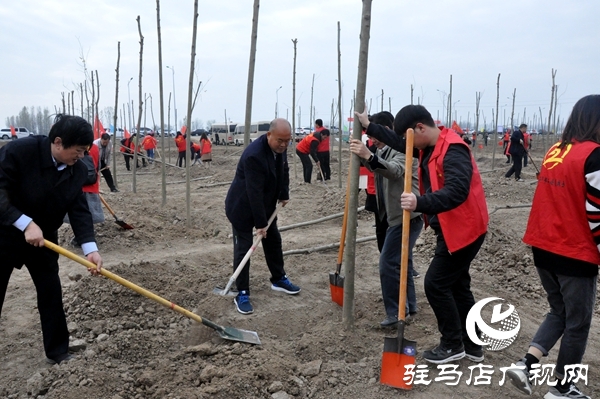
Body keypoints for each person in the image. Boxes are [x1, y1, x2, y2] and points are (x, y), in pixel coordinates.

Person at [360, 104, 488, 364]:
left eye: (409, 138)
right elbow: (399, 140)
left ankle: (453, 344)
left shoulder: (453, 150)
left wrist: (419, 202)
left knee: (435, 283)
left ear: (420, 128)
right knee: (458, 285)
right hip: (452, 226)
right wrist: (368, 126)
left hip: (464, 229)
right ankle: (473, 346)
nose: (405, 145)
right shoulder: (427, 143)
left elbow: (457, 191)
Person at [505, 95, 600, 399]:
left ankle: (525, 364)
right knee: (578, 322)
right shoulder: (594, 156)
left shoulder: (556, 150)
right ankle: (562, 388)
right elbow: (596, 213)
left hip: (542, 245)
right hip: (574, 250)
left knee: (559, 311)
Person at [0, 114, 103, 365]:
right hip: (4, 233)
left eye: (84, 151)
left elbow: (78, 209)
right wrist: (24, 222)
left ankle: (58, 350)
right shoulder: (19, 152)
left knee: (51, 292)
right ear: (58, 142)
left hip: (43, 239)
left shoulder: (76, 170)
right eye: (77, 151)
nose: (80, 156)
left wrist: (90, 248)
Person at [349, 111, 423, 328]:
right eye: (371, 136)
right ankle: (409, 305)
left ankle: (396, 313)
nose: (373, 140)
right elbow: (376, 167)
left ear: (388, 131)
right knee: (403, 262)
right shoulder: (382, 149)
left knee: (388, 263)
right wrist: (367, 156)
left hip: (407, 216)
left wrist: (369, 156)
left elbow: (394, 171)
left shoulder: (402, 149)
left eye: (377, 135)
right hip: (393, 215)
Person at [225, 118, 300, 315]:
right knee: (244, 247)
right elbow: (253, 192)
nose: (284, 145)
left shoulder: (280, 150)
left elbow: (284, 170)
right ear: (269, 135)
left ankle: (278, 279)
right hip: (241, 206)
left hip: (265, 205)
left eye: (287, 141)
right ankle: (241, 292)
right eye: (280, 141)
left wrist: (284, 193)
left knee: (273, 240)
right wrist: (260, 224)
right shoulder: (254, 156)